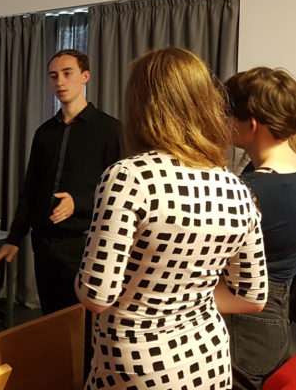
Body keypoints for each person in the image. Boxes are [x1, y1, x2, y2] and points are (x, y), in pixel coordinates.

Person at [74, 47, 268, 389]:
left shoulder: (129, 177)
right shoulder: (235, 187)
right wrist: (189, 296)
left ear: (140, 107)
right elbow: (253, 297)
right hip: (207, 356)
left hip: (138, 362)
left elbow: (96, 294)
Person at [0, 49, 123, 315]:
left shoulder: (110, 130)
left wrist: (79, 202)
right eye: (53, 76)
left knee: (82, 322)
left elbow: (119, 192)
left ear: (85, 76)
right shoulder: (44, 133)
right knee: (51, 318)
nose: (59, 82)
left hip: (84, 244)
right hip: (44, 244)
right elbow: (30, 189)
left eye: (67, 74)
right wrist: (14, 238)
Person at [224, 66, 296, 389]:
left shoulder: (246, 190)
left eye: (229, 117)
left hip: (244, 332)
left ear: (251, 125)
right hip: (282, 327)